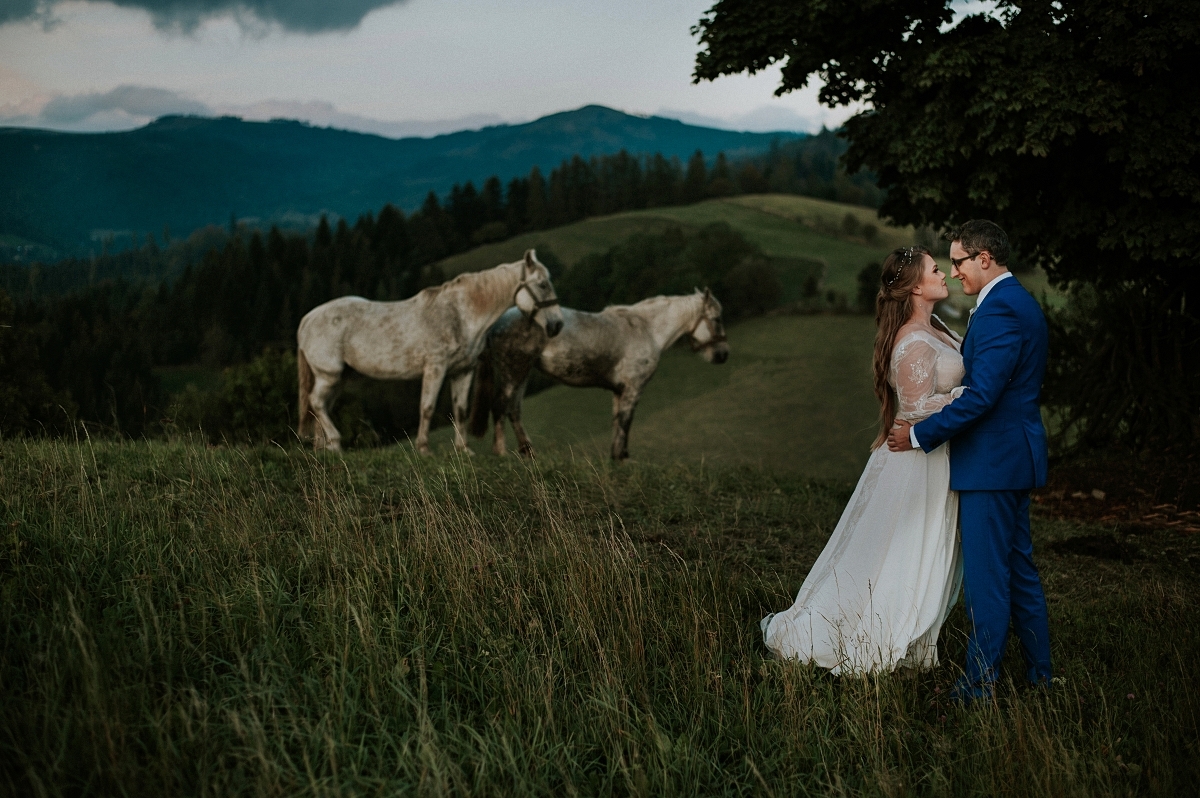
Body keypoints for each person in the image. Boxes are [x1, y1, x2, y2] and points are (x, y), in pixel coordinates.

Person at [761, 246, 965, 673]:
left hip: (934, 455)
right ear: (913, 287)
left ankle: (916, 642)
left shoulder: (937, 327)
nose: (943, 273)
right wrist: (965, 397)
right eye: (934, 269)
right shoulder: (911, 339)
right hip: (916, 461)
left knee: (923, 548)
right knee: (902, 548)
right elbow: (913, 410)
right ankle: (873, 634)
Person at [887, 220, 1052, 701]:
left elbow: (981, 397)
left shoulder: (1001, 309)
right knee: (1018, 569)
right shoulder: (1011, 302)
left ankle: (979, 684)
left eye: (957, 261)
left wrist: (919, 434)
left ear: (984, 259)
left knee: (988, 578)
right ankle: (1041, 676)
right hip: (1007, 459)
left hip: (993, 461)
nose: (954, 270)